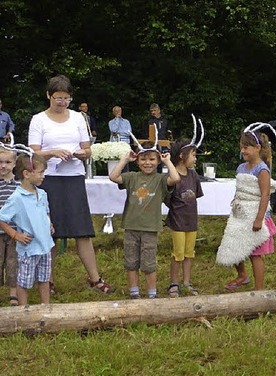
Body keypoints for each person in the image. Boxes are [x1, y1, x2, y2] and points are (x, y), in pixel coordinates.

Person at [28, 75, 112, 294]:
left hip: (74, 177)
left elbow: (88, 149)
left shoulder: (77, 118)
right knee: (50, 230)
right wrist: (53, 153)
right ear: (48, 95)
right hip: (48, 179)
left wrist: (80, 154)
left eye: (66, 98)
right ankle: (48, 280)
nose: (62, 102)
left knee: (82, 230)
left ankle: (95, 278)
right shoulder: (39, 120)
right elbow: (33, 153)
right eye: (58, 97)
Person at [109, 140, 180, 299]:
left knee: (148, 264)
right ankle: (134, 293)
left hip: (150, 228)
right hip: (131, 227)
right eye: (143, 159)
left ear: (158, 160)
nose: (147, 163)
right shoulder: (132, 177)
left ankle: (151, 294)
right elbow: (113, 177)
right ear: (137, 161)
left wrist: (167, 161)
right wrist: (125, 160)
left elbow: (175, 178)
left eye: (152, 159)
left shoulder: (160, 180)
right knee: (131, 262)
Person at [217, 126, 276, 291]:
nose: (243, 150)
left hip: (257, 214)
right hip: (241, 214)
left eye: (246, 147)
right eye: (241, 147)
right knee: (234, 243)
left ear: (257, 148)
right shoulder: (241, 168)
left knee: (256, 254)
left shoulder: (262, 169)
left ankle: (259, 290)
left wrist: (259, 219)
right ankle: (242, 275)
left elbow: (265, 195)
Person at [0, 153, 54, 306]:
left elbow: (45, 212)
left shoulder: (42, 194)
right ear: (27, 174)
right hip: (29, 248)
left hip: (45, 246)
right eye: (40, 172)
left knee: (44, 279)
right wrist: (15, 234)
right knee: (23, 282)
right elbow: (2, 218)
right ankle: (23, 311)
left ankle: (46, 308)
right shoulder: (17, 197)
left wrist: (49, 224)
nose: (43, 176)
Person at [165, 139, 204, 297]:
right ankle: (174, 282)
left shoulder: (193, 175)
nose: (195, 159)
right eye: (193, 155)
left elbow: (196, 196)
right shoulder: (173, 175)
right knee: (178, 253)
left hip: (191, 222)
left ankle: (187, 282)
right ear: (182, 156)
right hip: (178, 223)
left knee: (189, 253)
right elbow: (167, 198)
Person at [0, 149, 19, 305]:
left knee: (13, 261)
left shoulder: (19, 185)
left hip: (14, 231)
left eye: (7, 162)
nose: (3, 166)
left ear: (14, 163)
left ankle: (13, 293)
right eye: (0, 162)